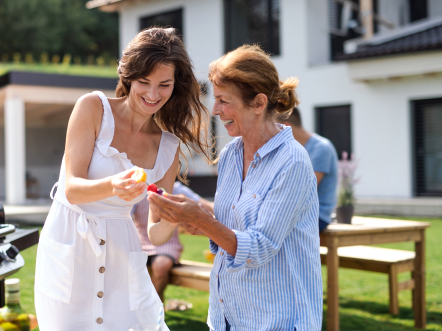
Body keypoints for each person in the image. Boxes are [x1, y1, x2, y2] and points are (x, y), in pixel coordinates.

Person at [34, 27, 211, 331]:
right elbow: (71, 188)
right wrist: (113, 186)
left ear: (175, 86)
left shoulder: (168, 147)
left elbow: (156, 235)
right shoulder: (93, 108)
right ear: (128, 76)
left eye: (164, 85)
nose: (153, 94)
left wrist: (174, 216)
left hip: (121, 251)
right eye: (144, 82)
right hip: (70, 242)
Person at [147, 45, 323, 330]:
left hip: (277, 320)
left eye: (223, 101)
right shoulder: (230, 155)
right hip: (228, 316)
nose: (215, 110)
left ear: (258, 103)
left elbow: (259, 247)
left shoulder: (292, 162)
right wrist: (199, 223)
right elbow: (232, 226)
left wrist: (201, 218)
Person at [132, 181, 213, 302]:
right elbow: (126, 215)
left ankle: (155, 305)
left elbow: (206, 205)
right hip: (141, 242)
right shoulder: (137, 190)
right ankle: (141, 307)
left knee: (161, 265)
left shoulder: (176, 189)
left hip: (167, 243)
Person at [277, 107, 338, 232]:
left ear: (286, 126)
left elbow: (304, 190)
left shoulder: (321, 148)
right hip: (296, 212)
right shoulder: (290, 149)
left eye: (272, 128)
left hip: (317, 216)